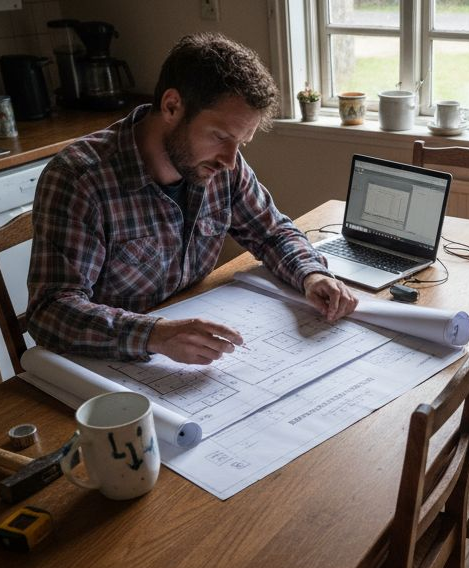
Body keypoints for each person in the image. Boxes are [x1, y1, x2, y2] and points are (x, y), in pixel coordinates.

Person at [27, 33, 357, 366]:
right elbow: (50, 310)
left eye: (241, 143)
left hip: (190, 345)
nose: (230, 160)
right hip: (111, 366)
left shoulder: (220, 166)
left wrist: (312, 275)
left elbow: (271, 232)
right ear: (172, 106)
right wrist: (154, 334)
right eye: (220, 137)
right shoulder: (80, 178)